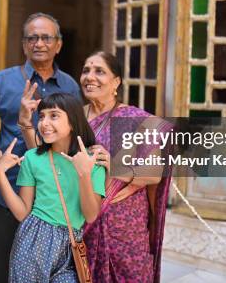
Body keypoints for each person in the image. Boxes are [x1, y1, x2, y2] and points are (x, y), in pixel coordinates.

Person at [0, 13, 81, 283]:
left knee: (49, 274)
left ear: (58, 44)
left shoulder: (71, 87)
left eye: (47, 37)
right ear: (24, 44)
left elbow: (77, 138)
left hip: (55, 204)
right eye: (33, 38)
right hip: (11, 194)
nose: (40, 43)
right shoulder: (0, 82)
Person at [80, 51, 173, 283]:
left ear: (116, 82)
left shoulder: (135, 120)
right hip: (83, 218)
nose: (90, 77)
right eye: (86, 70)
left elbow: (153, 175)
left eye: (99, 71)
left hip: (126, 226)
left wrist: (114, 165)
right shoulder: (76, 118)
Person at [0, 93, 105, 282]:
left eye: (54, 115)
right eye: (42, 116)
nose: (44, 123)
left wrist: (84, 173)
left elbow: (91, 215)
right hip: (33, 241)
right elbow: (22, 212)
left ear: (73, 121)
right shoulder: (32, 158)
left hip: (70, 245)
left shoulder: (92, 162)